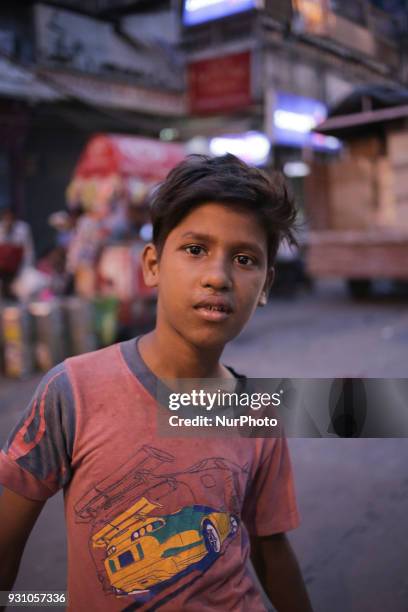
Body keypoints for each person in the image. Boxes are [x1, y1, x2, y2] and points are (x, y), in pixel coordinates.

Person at [0, 154, 313, 611]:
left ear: (264, 285)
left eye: (244, 259)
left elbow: (271, 550)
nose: (217, 277)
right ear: (151, 265)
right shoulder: (73, 391)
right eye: (194, 249)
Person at [0, 208, 35, 299]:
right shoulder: (1, 229)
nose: (9, 220)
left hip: (18, 267)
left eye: (10, 217)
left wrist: (24, 269)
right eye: (6, 218)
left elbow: (28, 251)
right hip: (3, 268)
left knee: (20, 290)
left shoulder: (23, 229)